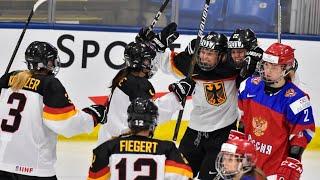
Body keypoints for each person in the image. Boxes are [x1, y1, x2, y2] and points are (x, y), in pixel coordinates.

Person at [140, 29, 239, 179]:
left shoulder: (233, 69)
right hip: (194, 132)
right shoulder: (192, 65)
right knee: (179, 175)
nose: (204, 57)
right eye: (202, 52)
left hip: (222, 134)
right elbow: (167, 62)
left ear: (222, 55)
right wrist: (156, 45)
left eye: (210, 53)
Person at [0, 41, 107, 179]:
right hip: (34, 169)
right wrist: (93, 115)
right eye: (51, 60)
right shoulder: (49, 84)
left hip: (3, 165)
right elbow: (66, 123)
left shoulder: (9, 79)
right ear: (46, 63)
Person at [97, 24, 195, 146]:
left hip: (108, 138)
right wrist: (177, 94)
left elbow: (146, 71)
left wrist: (155, 46)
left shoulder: (124, 75)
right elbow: (151, 114)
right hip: (123, 142)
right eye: (148, 61)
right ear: (140, 63)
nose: (150, 64)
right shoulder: (139, 85)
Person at [236, 43, 315, 179]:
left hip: (275, 171)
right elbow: (243, 118)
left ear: (286, 69)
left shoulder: (296, 100)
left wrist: (293, 158)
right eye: (266, 65)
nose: (267, 71)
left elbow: (302, 133)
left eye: (274, 67)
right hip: (247, 166)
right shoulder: (249, 86)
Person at [88, 97, 193, 180]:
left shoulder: (107, 147)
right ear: (154, 122)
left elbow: (95, 177)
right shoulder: (167, 149)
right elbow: (185, 176)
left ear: (129, 120)